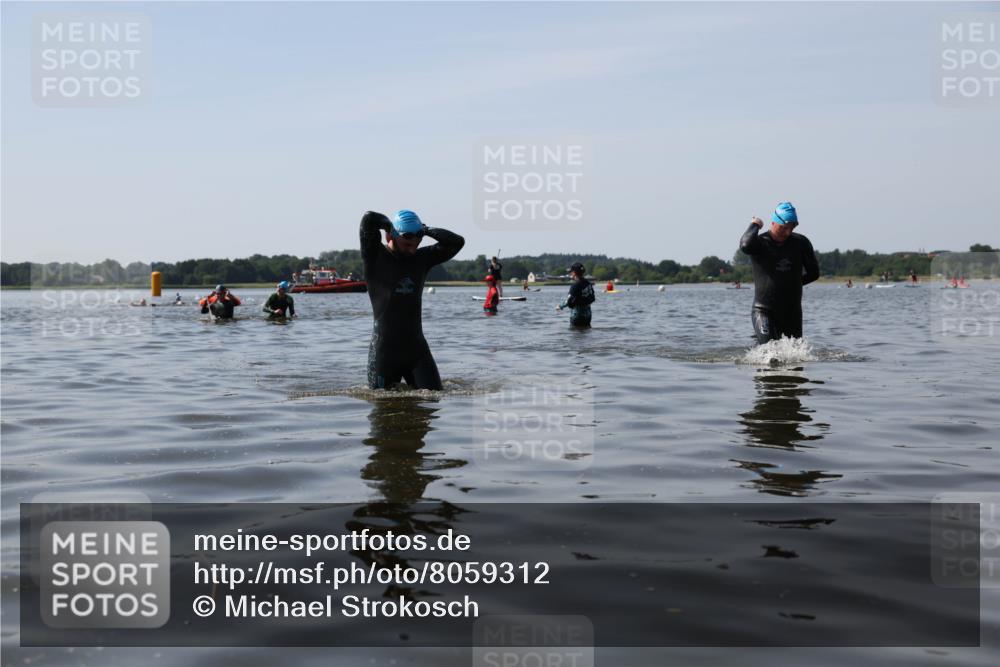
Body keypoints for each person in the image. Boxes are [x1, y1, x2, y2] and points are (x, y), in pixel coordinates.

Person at [360, 209, 465, 390]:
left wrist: (426, 230)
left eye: (416, 244)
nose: (412, 250)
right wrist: (388, 226)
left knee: (433, 401)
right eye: (407, 244)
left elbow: (457, 242)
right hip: (384, 352)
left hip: (416, 351)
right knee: (382, 408)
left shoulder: (421, 258)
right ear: (389, 236)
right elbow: (369, 219)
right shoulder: (374, 256)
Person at [738, 201, 819, 344]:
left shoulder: (801, 243)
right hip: (763, 311)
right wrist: (755, 224)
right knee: (770, 352)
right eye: (784, 228)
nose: (787, 232)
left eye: (791, 228)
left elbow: (814, 273)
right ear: (774, 222)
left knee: (795, 358)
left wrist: (790, 284)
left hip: (792, 313)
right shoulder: (760, 243)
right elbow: (745, 245)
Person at [557, 262, 595, 327]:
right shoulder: (588, 283)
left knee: (575, 334)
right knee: (586, 333)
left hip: (577, 316)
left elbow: (568, 301)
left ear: (574, 273)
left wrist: (560, 306)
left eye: (571, 272)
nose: (570, 274)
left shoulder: (575, 285)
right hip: (588, 316)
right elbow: (592, 297)